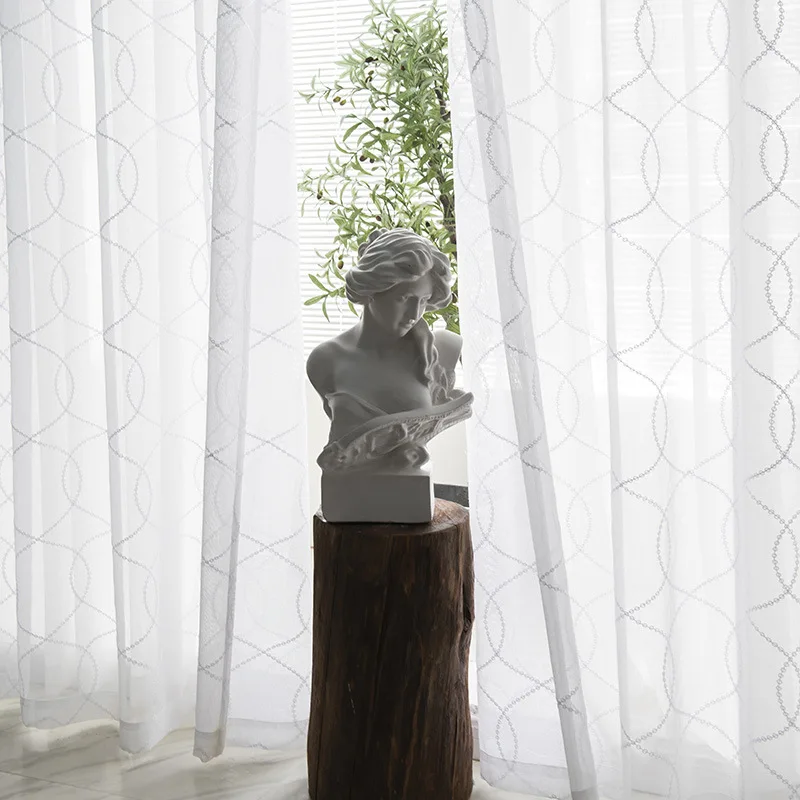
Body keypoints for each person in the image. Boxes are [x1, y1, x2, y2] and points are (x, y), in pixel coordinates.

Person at [306, 228, 469, 469]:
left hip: (409, 486)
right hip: (350, 487)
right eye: (404, 298)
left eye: (424, 301)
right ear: (371, 291)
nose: (414, 314)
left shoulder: (443, 350)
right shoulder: (325, 360)